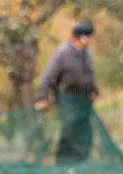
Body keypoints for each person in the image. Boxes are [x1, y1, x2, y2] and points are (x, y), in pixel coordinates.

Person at [35, 21, 99, 164]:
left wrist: (94, 90)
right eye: (86, 37)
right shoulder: (62, 52)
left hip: (83, 99)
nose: (89, 40)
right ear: (78, 37)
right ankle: (63, 162)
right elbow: (48, 76)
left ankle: (80, 161)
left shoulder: (86, 55)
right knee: (69, 129)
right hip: (66, 97)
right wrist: (43, 97)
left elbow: (89, 75)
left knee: (84, 132)